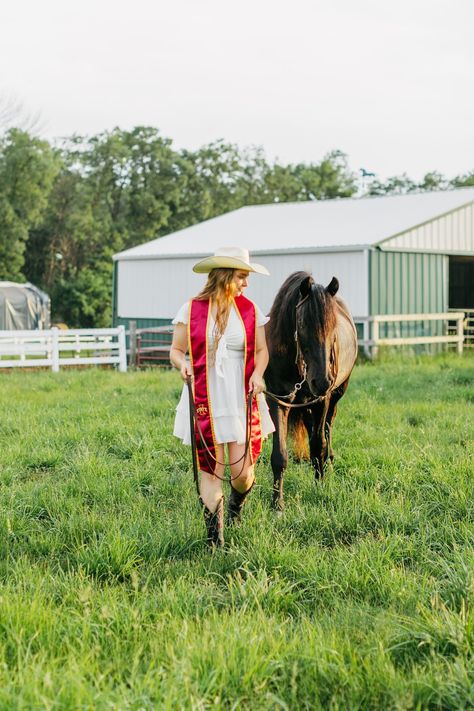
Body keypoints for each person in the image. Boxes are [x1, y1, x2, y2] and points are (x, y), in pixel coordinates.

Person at [170, 246, 275, 548]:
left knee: (242, 473)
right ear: (226, 276)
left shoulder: (250, 310)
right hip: (206, 394)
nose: (246, 283)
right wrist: (183, 364)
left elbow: (262, 351)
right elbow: (176, 351)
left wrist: (258, 374)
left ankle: (236, 507)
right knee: (211, 469)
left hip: (240, 395)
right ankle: (215, 541)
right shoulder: (191, 310)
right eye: (243, 276)